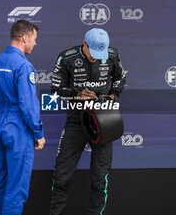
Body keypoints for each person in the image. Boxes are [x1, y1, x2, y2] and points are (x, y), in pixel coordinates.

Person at [50, 28, 126, 214]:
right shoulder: (67, 57)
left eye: (100, 54)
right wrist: (76, 95)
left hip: (105, 120)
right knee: (61, 176)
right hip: (77, 121)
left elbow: (120, 78)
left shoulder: (112, 54)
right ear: (84, 43)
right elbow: (55, 89)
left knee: (100, 179)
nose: (96, 58)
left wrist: (112, 96)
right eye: (93, 54)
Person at [0, 19, 46, 215]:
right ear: (25, 37)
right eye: (34, 39)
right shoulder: (24, 67)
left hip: (0, 126)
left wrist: (2, 121)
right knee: (16, 188)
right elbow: (28, 106)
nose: (35, 43)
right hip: (19, 130)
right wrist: (38, 133)